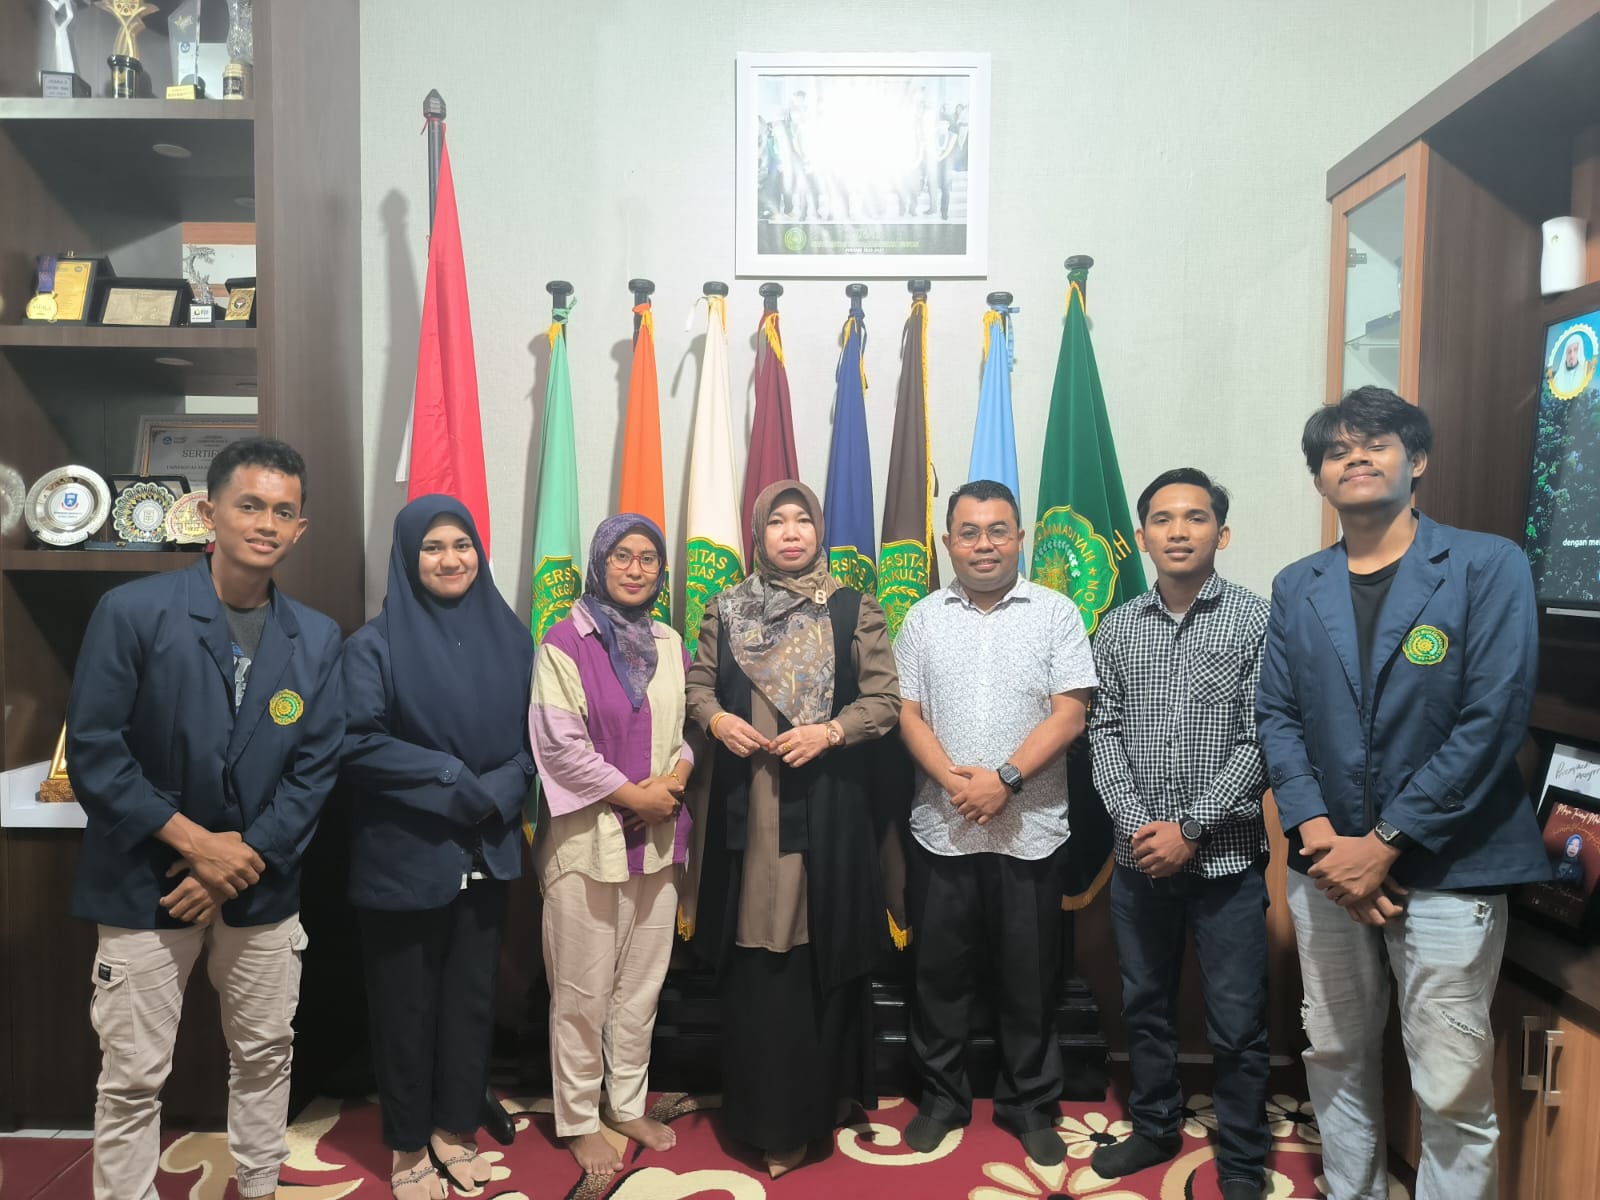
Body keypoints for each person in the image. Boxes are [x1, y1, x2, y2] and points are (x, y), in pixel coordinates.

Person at [1258, 387, 1550, 1200]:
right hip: (1325, 868)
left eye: (1376, 443)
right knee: (1334, 1052)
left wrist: (1384, 843)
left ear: (1416, 460)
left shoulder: (1487, 565)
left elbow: (1493, 720)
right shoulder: (1298, 584)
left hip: (1451, 864)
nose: (1355, 457)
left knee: (1450, 1082)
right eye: (1337, 450)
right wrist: (1320, 835)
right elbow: (1277, 716)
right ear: (1319, 477)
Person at [66, 438, 343, 1200]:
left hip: (260, 886)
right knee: (132, 1075)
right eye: (249, 505)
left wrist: (234, 864)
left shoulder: (317, 638)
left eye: (282, 511)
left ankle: (258, 1186)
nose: (265, 523)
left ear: (299, 529)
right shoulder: (131, 612)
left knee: (266, 1055)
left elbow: (314, 770)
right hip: (144, 880)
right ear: (208, 512)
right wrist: (196, 845)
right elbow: (95, 752)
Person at [685, 480, 902, 1177]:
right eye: (775, 521)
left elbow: (885, 701)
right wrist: (718, 720)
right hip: (749, 810)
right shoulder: (726, 608)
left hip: (828, 807)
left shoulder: (851, 607)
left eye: (801, 519)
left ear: (818, 530)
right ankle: (764, 1114)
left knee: (819, 949)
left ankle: (816, 1106)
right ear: (758, 533)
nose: (789, 532)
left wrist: (831, 732)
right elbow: (697, 688)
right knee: (757, 954)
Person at [893, 479, 1097, 1166]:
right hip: (943, 827)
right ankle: (941, 1098)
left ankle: (1029, 1102)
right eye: (970, 532)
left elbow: (1071, 711)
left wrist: (1004, 781)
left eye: (998, 530)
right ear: (949, 542)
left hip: (1030, 831)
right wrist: (954, 781)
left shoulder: (1057, 613)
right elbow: (908, 713)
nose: (985, 544)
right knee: (938, 977)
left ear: (1020, 538)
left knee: (1029, 980)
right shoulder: (922, 618)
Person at [341, 496, 535, 1200]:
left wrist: (504, 786)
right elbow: (356, 742)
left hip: (487, 850)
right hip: (405, 857)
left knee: (472, 1000)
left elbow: (539, 737)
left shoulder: (513, 639)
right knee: (406, 1007)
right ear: (406, 557)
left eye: (462, 545)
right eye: (432, 547)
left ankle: (454, 1127)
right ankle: (406, 1143)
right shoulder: (373, 645)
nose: (451, 559)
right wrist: (454, 781)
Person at [1085, 468, 1271, 1200]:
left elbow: (1262, 737)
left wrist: (1191, 828)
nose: (1179, 531)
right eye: (1163, 519)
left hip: (1226, 862)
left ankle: (1244, 1156)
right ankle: (1156, 1126)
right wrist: (1140, 828)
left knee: (1237, 1022)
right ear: (1142, 537)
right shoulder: (1118, 626)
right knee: (1145, 1006)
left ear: (1222, 533)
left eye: (1196, 518)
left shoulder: (1256, 620)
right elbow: (1103, 732)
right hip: (1140, 863)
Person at [530, 513, 695, 1181]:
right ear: (600, 562)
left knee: (640, 987)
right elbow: (559, 746)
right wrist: (635, 797)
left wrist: (674, 782)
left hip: (658, 842)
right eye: (622, 555)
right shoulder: (564, 641)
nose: (635, 568)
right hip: (587, 845)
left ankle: (625, 1104)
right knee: (581, 992)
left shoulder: (670, 641)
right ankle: (577, 1119)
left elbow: (687, 731)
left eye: (648, 558)